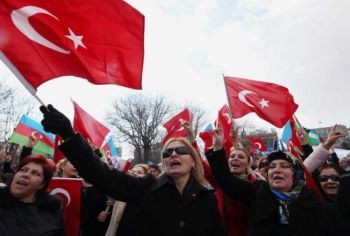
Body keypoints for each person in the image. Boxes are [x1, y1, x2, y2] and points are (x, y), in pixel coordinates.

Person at [39, 104, 225, 236]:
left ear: (193, 162)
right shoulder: (146, 188)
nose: (174, 154)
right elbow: (101, 175)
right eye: (168, 152)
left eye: (181, 150)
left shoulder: (206, 198)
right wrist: (69, 135)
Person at [206, 125, 345, 236]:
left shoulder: (315, 203)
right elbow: (225, 179)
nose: (276, 170)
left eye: (284, 166)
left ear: (296, 174)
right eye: (272, 167)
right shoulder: (256, 191)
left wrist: (327, 144)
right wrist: (218, 148)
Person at [0, 154, 65, 235]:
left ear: (42, 184)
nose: (26, 175)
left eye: (35, 173)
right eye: (23, 170)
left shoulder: (52, 212)